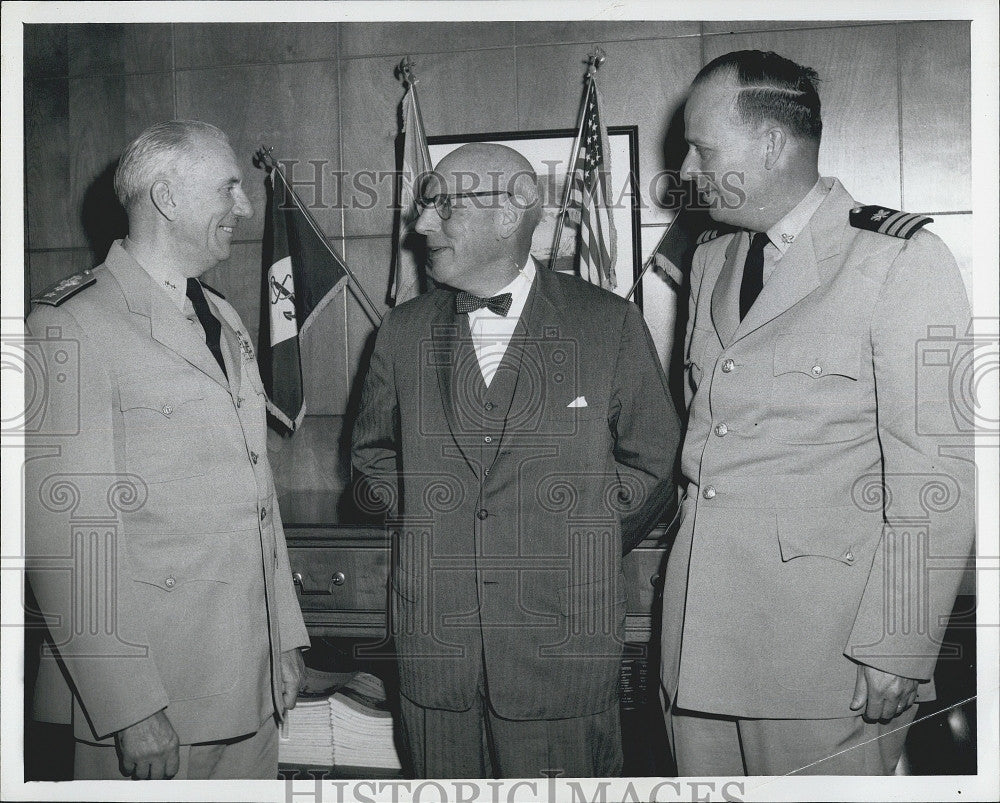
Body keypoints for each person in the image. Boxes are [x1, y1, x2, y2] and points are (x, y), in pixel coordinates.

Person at [660, 50, 975, 775]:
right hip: (699, 643)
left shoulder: (899, 259)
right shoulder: (712, 259)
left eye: (701, 147)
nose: (683, 168)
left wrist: (897, 645)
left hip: (824, 657)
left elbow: (938, 475)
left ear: (769, 145)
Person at [352, 142, 680, 778]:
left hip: (562, 648)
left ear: (511, 213)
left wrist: (571, 540)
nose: (420, 226)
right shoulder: (400, 332)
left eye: (442, 206)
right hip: (435, 652)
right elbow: (371, 459)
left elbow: (654, 465)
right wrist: (434, 523)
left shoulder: (607, 324)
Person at [24, 120, 309, 780]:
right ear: (165, 197)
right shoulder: (66, 323)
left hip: (248, 680)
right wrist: (129, 708)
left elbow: (255, 496)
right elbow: (66, 535)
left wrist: (284, 641)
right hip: (155, 697)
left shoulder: (223, 315)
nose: (243, 205)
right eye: (228, 187)